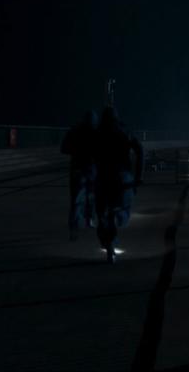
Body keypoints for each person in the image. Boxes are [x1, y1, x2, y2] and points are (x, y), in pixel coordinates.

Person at [94, 107, 144, 263]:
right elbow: (140, 150)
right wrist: (138, 177)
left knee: (102, 214)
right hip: (123, 177)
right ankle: (115, 224)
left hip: (103, 177)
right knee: (123, 210)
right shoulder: (124, 131)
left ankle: (109, 244)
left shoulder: (97, 134)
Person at [60, 110, 99, 241]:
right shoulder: (96, 131)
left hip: (78, 169)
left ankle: (75, 228)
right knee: (91, 197)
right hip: (91, 169)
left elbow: (64, 148)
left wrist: (77, 151)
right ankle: (88, 220)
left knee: (77, 201)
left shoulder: (75, 131)